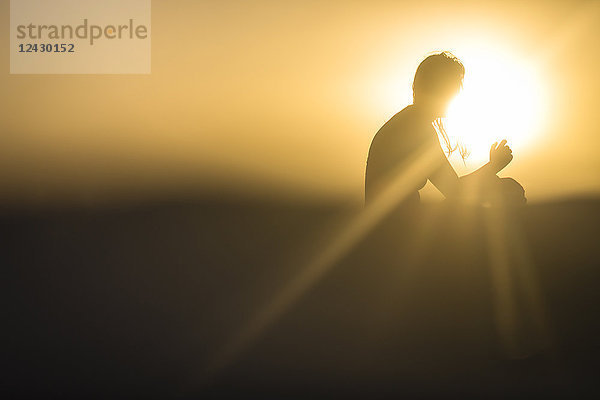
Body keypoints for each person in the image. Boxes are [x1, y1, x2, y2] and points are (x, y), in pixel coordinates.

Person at [365, 51, 525, 212]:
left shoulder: (409, 121)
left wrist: (492, 171)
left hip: (394, 225)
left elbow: (453, 187)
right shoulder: (414, 128)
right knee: (508, 192)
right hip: (396, 229)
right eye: (452, 90)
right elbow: (454, 190)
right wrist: (493, 166)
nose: (454, 98)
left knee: (502, 189)